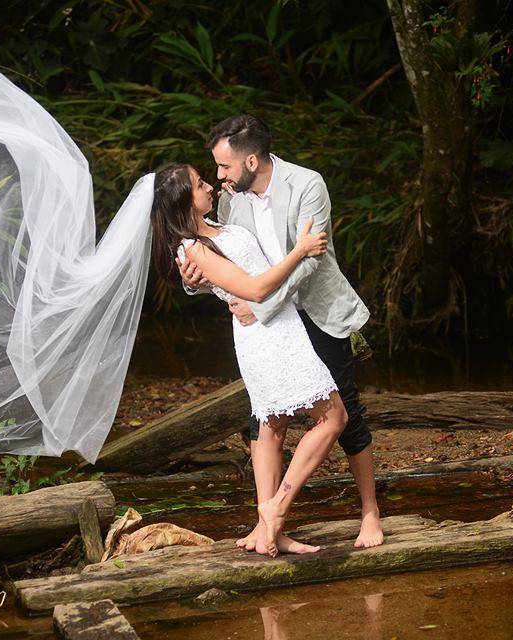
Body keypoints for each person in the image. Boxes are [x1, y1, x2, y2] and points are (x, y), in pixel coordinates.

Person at [178, 114, 384, 549]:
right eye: (215, 171)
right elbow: (217, 254)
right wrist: (193, 282)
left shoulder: (307, 184)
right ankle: (268, 523)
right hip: (267, 326)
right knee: (267, 418)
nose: (219, 178)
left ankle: (370, 514)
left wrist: (259, 303)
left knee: (346, 413)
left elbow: (311, 260)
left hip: (315, 311)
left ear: (251, 160)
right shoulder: (231, 200)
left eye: (225, 167)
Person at [151, 162, 349, 557]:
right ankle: (277, 506)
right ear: (184, 201)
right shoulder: (192, 248)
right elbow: (256, 289)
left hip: (276, 328)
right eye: (199, 183)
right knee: (333, 418)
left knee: (271, 426)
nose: (210, 184)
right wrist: (301, 250)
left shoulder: (214, 226)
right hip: (268, 337)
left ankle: (268, 532)